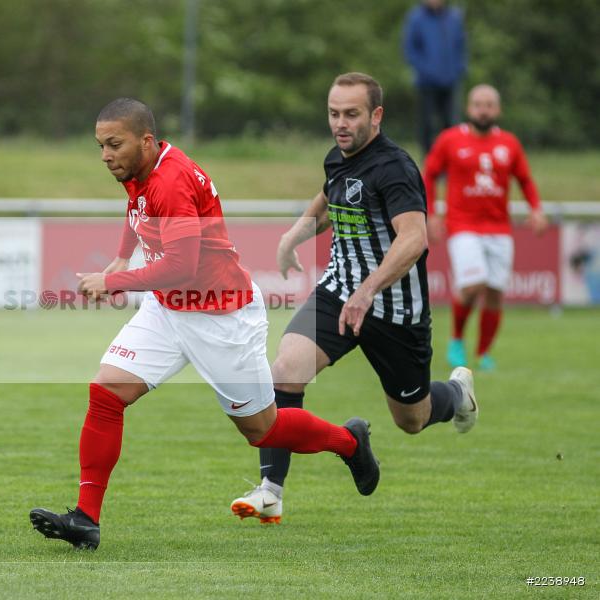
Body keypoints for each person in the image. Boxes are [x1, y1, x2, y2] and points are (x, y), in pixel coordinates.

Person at [29, 98, 381, 550]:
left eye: (113, 144)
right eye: (101, 146)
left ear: (146, 141)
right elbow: (138, 209)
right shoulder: (141, 167)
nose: (105, 155)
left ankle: (349, 442)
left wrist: (113, 281)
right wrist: (122, 255)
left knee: (263, 430)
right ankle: (85, 519)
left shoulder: (172, 181)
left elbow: (181, 265)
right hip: (168, 310)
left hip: (222, 318)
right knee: (106, 393)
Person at [229, 73, 479, 525]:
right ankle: (271, 492)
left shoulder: (395, 168)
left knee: (412, 418)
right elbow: (329, 198)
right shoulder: (338, 157)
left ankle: (457, 393)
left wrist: (368, 292)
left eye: (351, 114)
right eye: (333, 113)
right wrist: (293, 236)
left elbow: (414, 238)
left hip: (395, 310)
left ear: (376, 115)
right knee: (285, 371)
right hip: (339, 291)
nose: (340, 123)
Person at [423, 84, 548, 371]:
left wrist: (536, 209)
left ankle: (483, 353)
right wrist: (431, 214)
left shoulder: (509, 143)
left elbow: (524, 179)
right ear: (469, 108)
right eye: (478, 104)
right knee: (473, 284)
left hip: (499, 228)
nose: (483, 110)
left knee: (495, 292)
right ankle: (456, 339)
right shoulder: (450, 140)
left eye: (489, 105)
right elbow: (429, 175)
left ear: (498, 110)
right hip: (462, 225)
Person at [403, 0, 467, 155]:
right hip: (426, 82)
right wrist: (426, 70)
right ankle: (428, 158)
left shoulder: (454, 17)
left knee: (451, 122)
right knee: (427, 123)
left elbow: (461, 45)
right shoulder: (416, 18)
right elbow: (410, 49)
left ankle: (450, 157)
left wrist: (459, 69)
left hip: (451, 80)